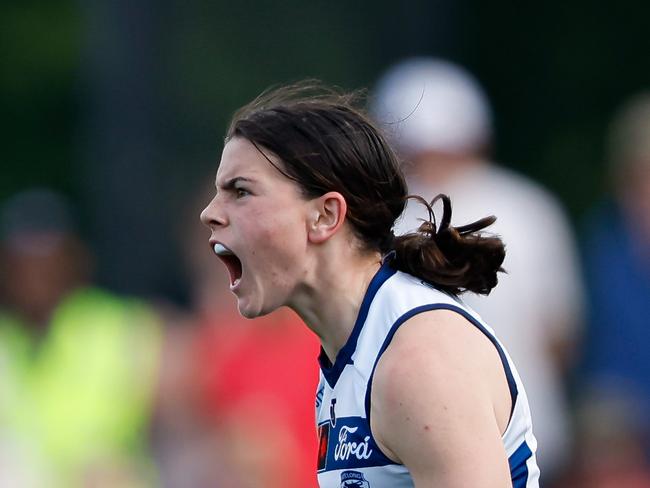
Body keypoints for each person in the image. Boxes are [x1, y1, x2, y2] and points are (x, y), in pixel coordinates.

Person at [200, 83, 540, 487]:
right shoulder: (348, 352)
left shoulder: (418, 361)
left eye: (241, 191)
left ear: (326, 216)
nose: (209, 214)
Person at [370, 58, 584, 480]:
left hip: (423, 438)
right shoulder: (529, 206)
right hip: (515, 431)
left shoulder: (383, 218)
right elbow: (562, 335)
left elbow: (561, 334)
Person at [0, 188, 161, 487]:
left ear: (73, 260)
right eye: (24, 262)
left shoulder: (122, 329)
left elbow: (170, 435)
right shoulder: (6, 342)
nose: (35, 275)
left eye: (47, 258)